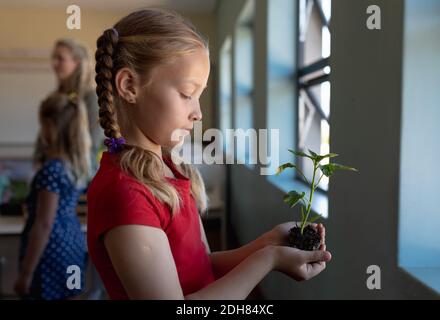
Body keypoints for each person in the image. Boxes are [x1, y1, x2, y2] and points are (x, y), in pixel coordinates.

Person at [87, 8, 331, 300]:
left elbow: (198, 267)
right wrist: (268, 260)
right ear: (129, 86)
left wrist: (267, 245)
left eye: (199, 96)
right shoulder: (125, 194)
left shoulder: (169, 169)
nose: (198, 113)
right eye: (187, 93)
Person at [15, 93, 91, 299]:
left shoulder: (52, 170)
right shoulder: (74, 167)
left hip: (50, 252)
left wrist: (26, 273)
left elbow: (44, 223)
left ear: (51, 127)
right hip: (73, 247)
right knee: (71, 292)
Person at [34, 38, 103, 172]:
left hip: (80, 173)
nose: (54, 64)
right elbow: (43, 136)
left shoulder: (91, 98)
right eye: (54, 58)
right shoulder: (54, 97)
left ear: (77, 62)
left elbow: (93, 143)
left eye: (60, 59)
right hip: (51, 169)